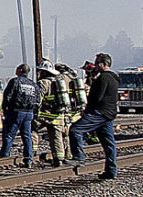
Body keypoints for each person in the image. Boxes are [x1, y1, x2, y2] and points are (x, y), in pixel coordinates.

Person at [70, 52, 120, 180]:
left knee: (75, 130)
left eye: (98, 63)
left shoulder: (103, 78)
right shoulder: (114, 78)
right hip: (109, 114)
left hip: (99, 112)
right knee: (109, 144)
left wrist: (87, 111)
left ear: (104, 64)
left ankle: (79, 157)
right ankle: (111, 171)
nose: (96, 65)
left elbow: (97, 97)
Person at [0, 63, 39, 167]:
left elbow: (8, 96)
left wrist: (4, 108)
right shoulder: (33, 84)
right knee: (27, 136)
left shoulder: (15, 81)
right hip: (29, 113)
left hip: (16, 112)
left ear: (20, 70)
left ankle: (4, 158)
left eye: (17, 68)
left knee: (9, 135)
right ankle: (28, 159)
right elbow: (37, 99)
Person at [35, 64, 75, 166]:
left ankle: (58, 159)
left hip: (49, 115)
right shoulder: (60, 81)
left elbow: (38, 99)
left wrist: (35, 112)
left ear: (44, 72)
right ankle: (68, 155)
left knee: (54, 137)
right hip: (63, 114)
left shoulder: (43, 82)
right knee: (65, 135)